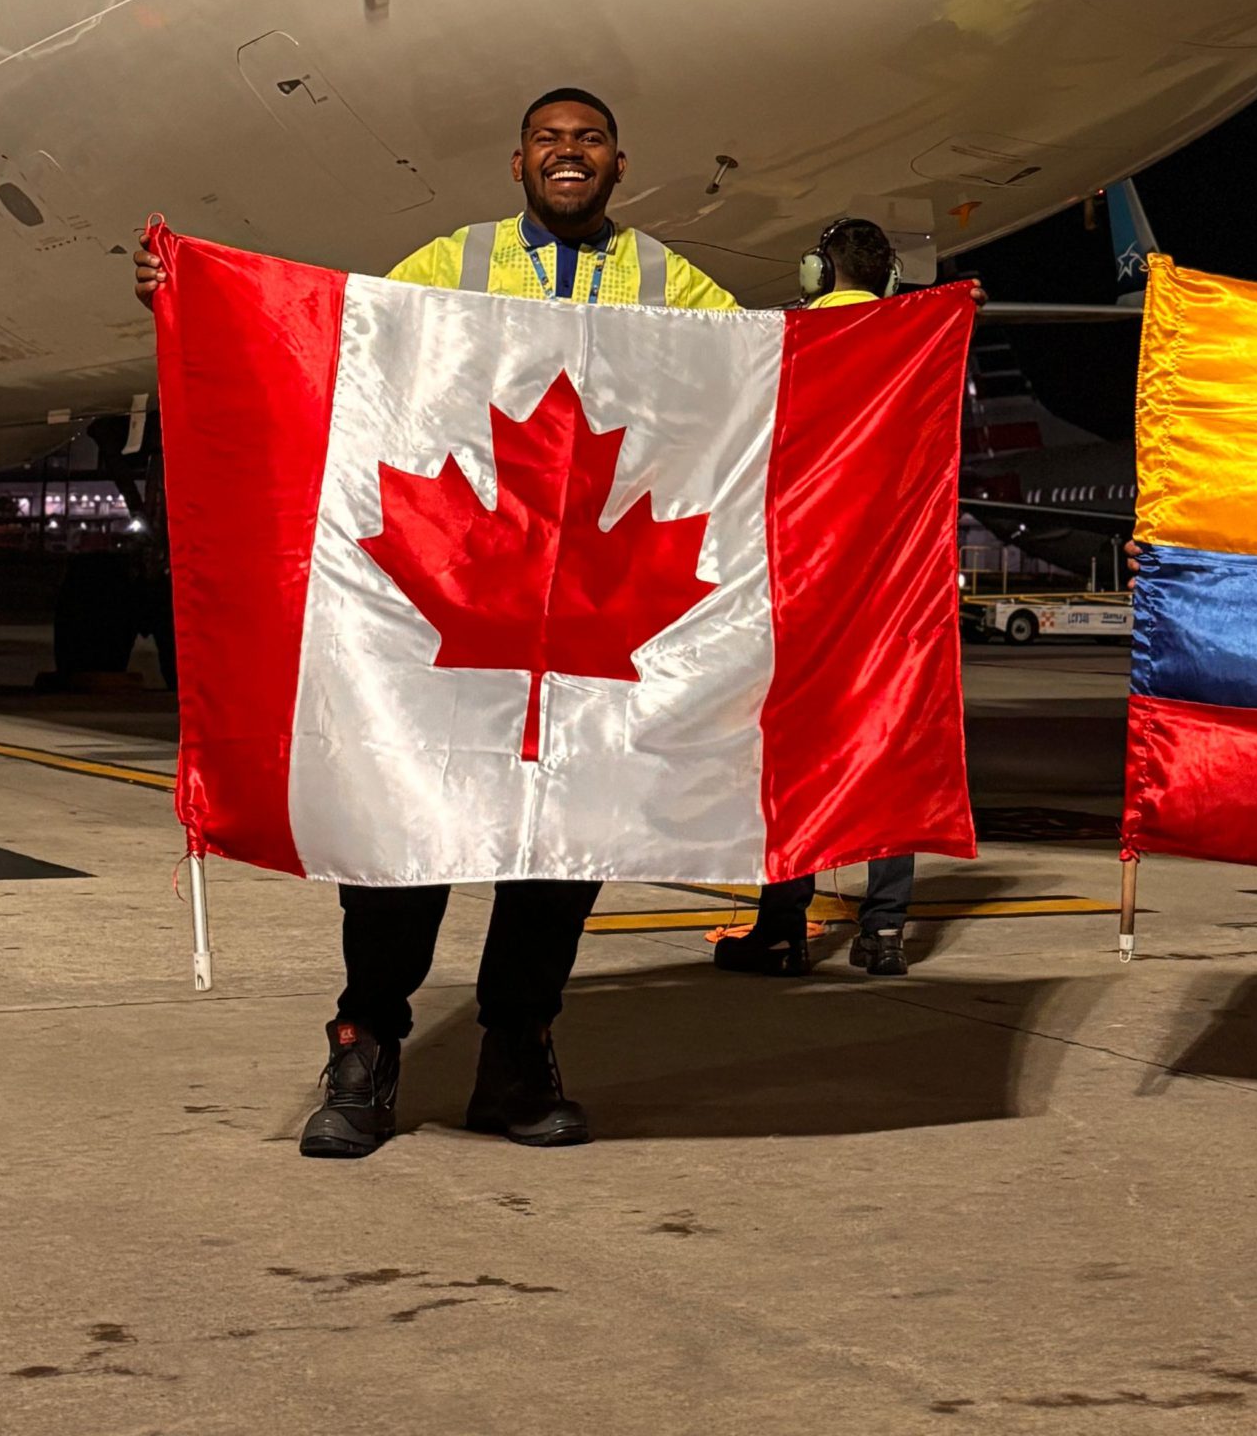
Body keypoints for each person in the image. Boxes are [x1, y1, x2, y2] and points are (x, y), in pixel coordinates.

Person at [137, 86, 738, 1159]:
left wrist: (883, 333)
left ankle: (516, 1053)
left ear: (618, 163)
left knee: (563, 846)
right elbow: (338, 349)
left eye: (587, 139)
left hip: (589, 605)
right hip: (452, 587)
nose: (569, 153)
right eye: (549, 139)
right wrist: (188, 293)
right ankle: (368, 1043)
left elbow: (761, 378)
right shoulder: (451, 259)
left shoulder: (667, 276)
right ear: (518, 165)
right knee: (403, 831)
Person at [713, 216, 916, 979]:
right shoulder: (910, 337)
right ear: (889, 277)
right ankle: (885, 933)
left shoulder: (784, 340)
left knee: (792, 756)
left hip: (798, 573)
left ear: (812, 273)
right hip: (889, 582)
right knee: (884, 749)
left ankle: (783, 926)